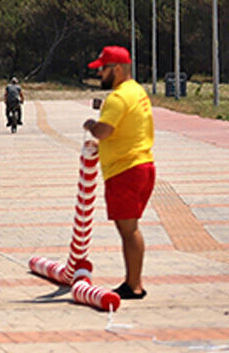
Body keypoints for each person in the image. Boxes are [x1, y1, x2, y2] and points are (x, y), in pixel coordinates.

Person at [83, 45, 154, 301]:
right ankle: (133, 281)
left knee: (128, 229)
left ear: (117, 69)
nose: (100, 74)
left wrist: (92, 126)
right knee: (129, 226)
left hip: (126, 170)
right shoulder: (137, 92)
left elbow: (105, 131)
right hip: (143, 165)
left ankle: (133, 285)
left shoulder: (117, 97)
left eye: (102, 69)